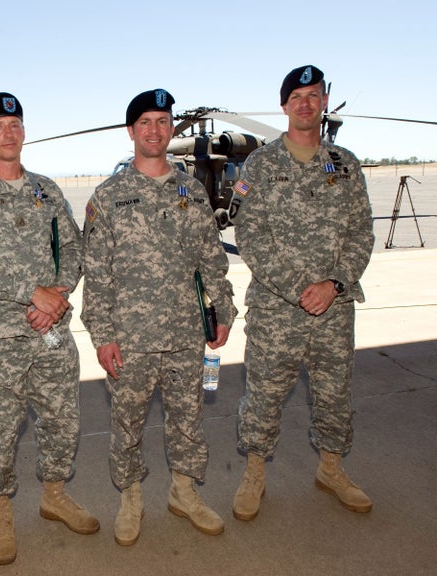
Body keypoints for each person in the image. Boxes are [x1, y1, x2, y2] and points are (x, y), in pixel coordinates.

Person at [0, 92, 99, 565]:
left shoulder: (47, 189)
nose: (8, 133)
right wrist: (33, 291)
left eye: (15, 124)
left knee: (62, 420)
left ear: (23, 132)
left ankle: (54, 494)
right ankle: (1, 510)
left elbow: (72, 247)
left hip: (51, 332)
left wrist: (59, 293)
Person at [81, 89, 237, 546]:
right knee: (127, 423)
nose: (154, 130)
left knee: (188, 417)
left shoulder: (191, 190)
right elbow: (96, 272)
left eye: (163, 122)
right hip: (130, 339)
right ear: (132, 131)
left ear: (172, 129)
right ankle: (131, 497)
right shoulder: (108, 197)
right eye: (145, 122)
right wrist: (103, 335)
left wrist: (222, 310)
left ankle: (184, 491)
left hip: (187, 331)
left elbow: (212, 259)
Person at [230, 65, 375, 521]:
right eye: (297, 96)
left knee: (335, 394)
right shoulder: (260, 165)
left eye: (313, 95)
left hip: (334, 310)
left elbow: (361, 233)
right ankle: (254, 473)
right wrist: (300, 290)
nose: (305, 103)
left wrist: (333, 285)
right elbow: (250, 235)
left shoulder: (346, 165)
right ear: (284, 106)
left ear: (324, 101)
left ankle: (331, 469)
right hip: (277, 311)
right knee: (264, 396)